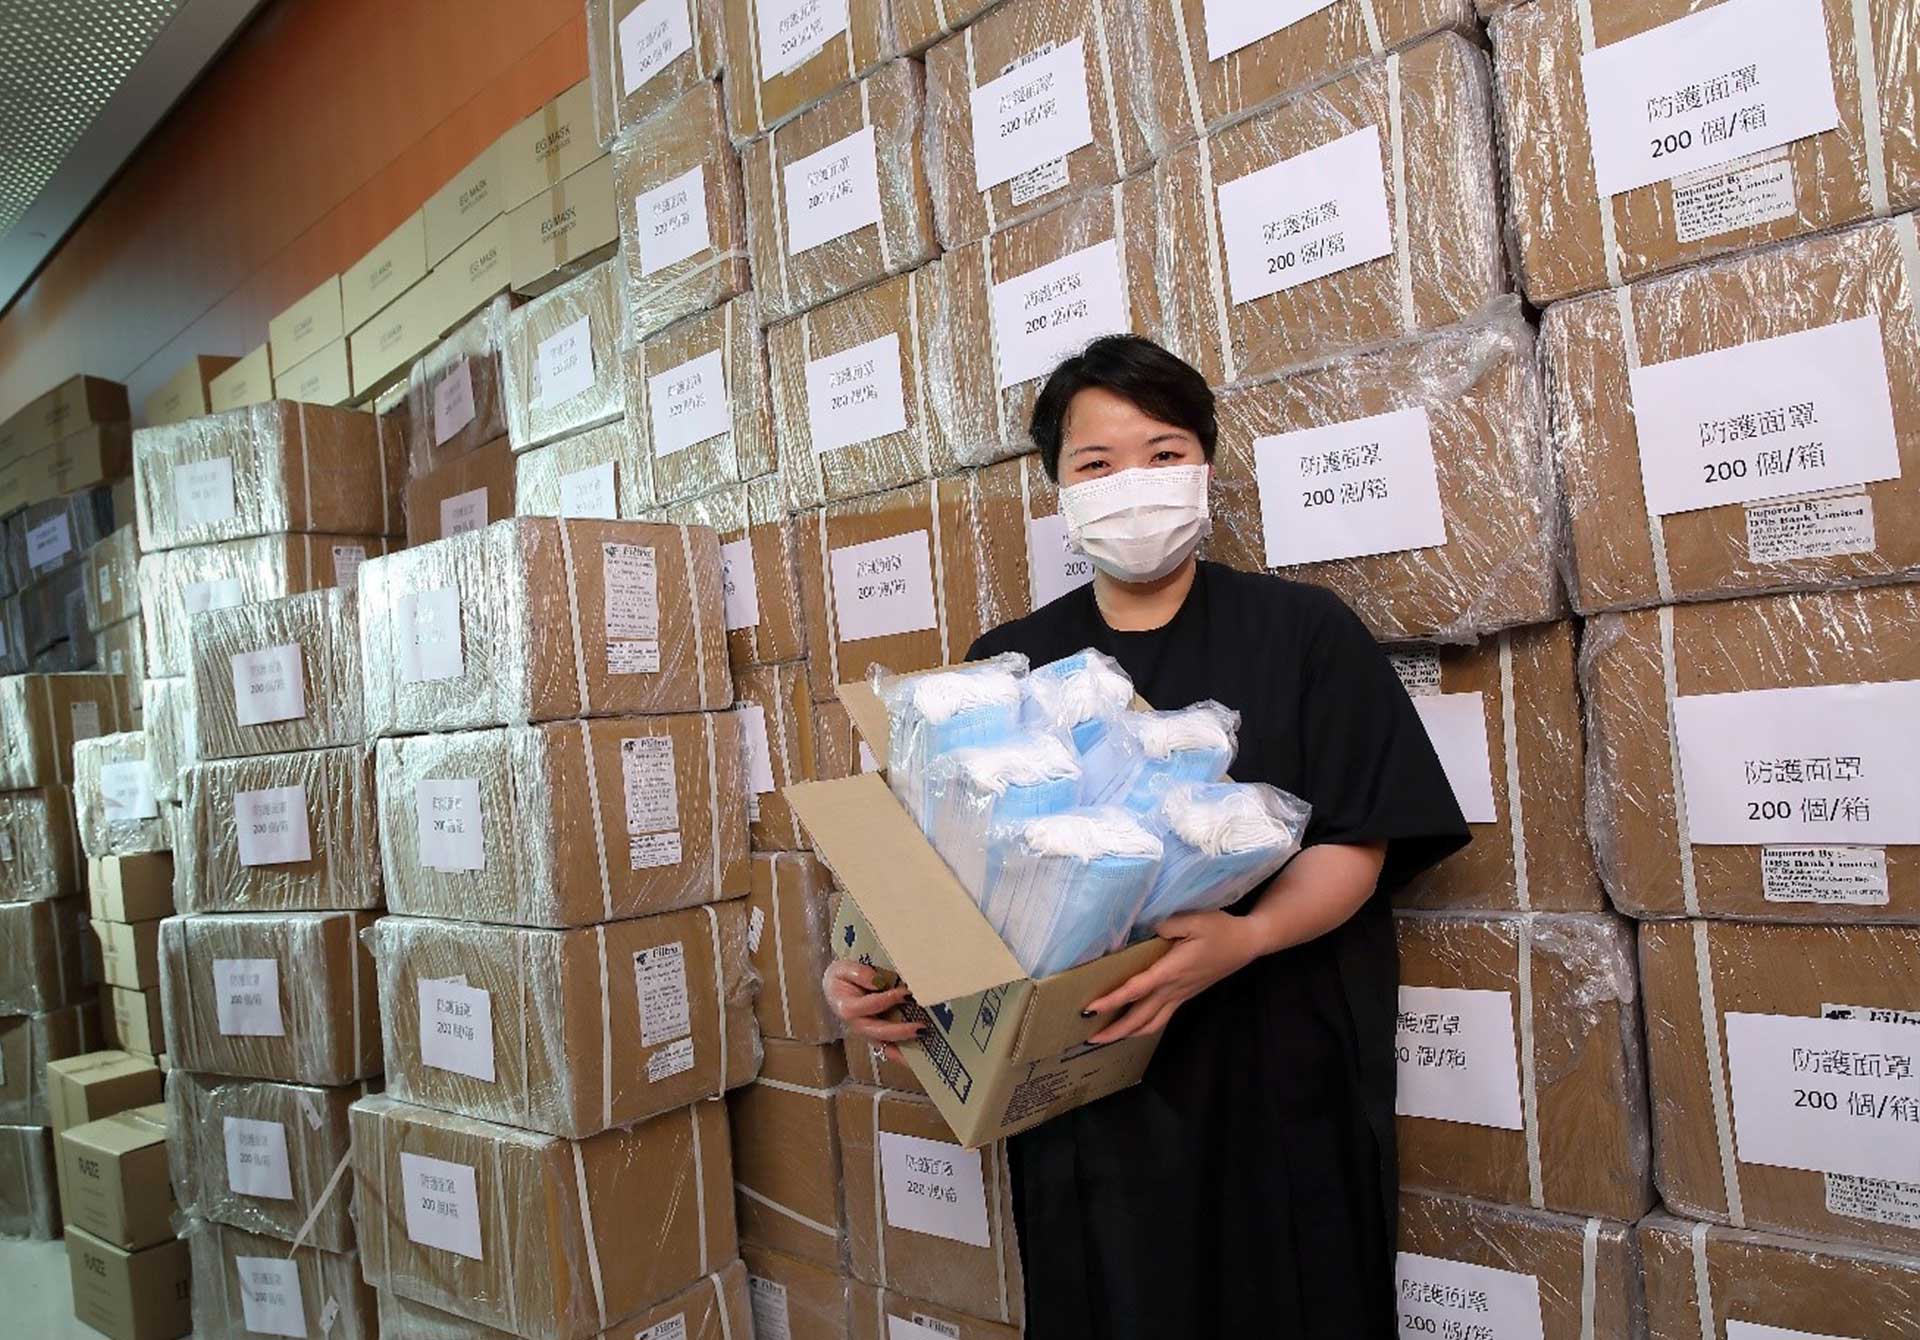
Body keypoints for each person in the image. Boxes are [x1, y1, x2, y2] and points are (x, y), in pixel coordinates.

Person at [824, 335, 1469, 1337]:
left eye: (1164, 453)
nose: (1133, 483)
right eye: (1096, 463)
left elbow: (1361, 841)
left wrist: (1247, 936)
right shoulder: (1008, 665)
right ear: (1059, 489)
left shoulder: (1304, 632)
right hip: (1083, 1091)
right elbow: (938, 872)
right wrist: (869, 965)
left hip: (1274, 1072)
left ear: (1205, 465)